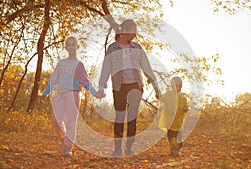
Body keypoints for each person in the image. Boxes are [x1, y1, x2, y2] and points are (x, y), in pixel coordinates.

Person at [97, 19, 160, 157]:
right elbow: (106, 68)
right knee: (119, 117)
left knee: (132, 119)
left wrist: (155, 86)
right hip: (119, 87)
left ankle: (129, 149)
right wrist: (101, 87)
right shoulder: (112, 48)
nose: (135, 34)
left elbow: (146, 67)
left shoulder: (137, 48)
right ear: (124, 31)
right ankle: (117, 149)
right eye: (133, 31)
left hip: (135, 86)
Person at [41, 36, 103, 156]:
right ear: (66, 47)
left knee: (71, 122)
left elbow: (86, 82)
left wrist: (95, 93)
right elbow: (53, 79)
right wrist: (45, 92)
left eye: (73, 45)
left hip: (73, 95)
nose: (71, 47)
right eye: (68, 45)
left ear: (77, 47)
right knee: (55, 119)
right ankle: (65, 141)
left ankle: (68, 147)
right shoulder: (61, 63)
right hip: (60, 94)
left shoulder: (79, 65)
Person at [158, 76, 189, 156]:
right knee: (170, 136)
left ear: (180, 87)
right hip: (170, 121)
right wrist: (157, 94)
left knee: (177, 137)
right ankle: (173, 150)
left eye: (177, 86)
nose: (174, 87)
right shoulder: (168, 94)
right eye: (173, 85)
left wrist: (186, 108)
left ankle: (177, 149)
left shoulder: (183, 97)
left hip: (178, 122)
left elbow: (186, 106)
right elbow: (161, 98)